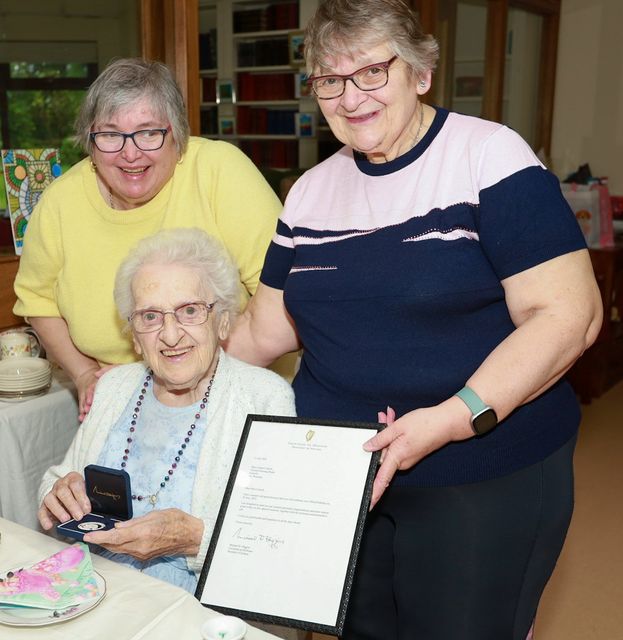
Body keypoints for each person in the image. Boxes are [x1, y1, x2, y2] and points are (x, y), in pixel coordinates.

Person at [226, 1, 603, 638]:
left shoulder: (489, 158)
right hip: (347, 478)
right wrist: (161, 369)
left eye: (372, 72)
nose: (351, 97)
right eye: (330, 80)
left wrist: (454, 417)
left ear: (420, 73)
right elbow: (265, 331)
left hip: (480, 468)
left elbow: (569, 316)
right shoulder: (309, 191)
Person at [13, 58, 283, 420]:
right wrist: (83, 373)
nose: (130, 152)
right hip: (119, 405)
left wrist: (165, 380)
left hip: (237, 392)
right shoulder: (61, 202)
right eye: (110, 134)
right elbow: (38, 300)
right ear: (90, 143)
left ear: (178, 136)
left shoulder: (220, 171)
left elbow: (283, 294)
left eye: (148, 132)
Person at [38, 228, 295, 593]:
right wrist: (57, 494)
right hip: (95, 590)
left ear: (222, 321)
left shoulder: (264, 397)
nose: (171, 335)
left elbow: (279, 540)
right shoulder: (114, 387)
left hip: (201, 609)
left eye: (190, 311)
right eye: (150, 317)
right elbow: (59, 479)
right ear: (134, 336)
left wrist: (194, 539)